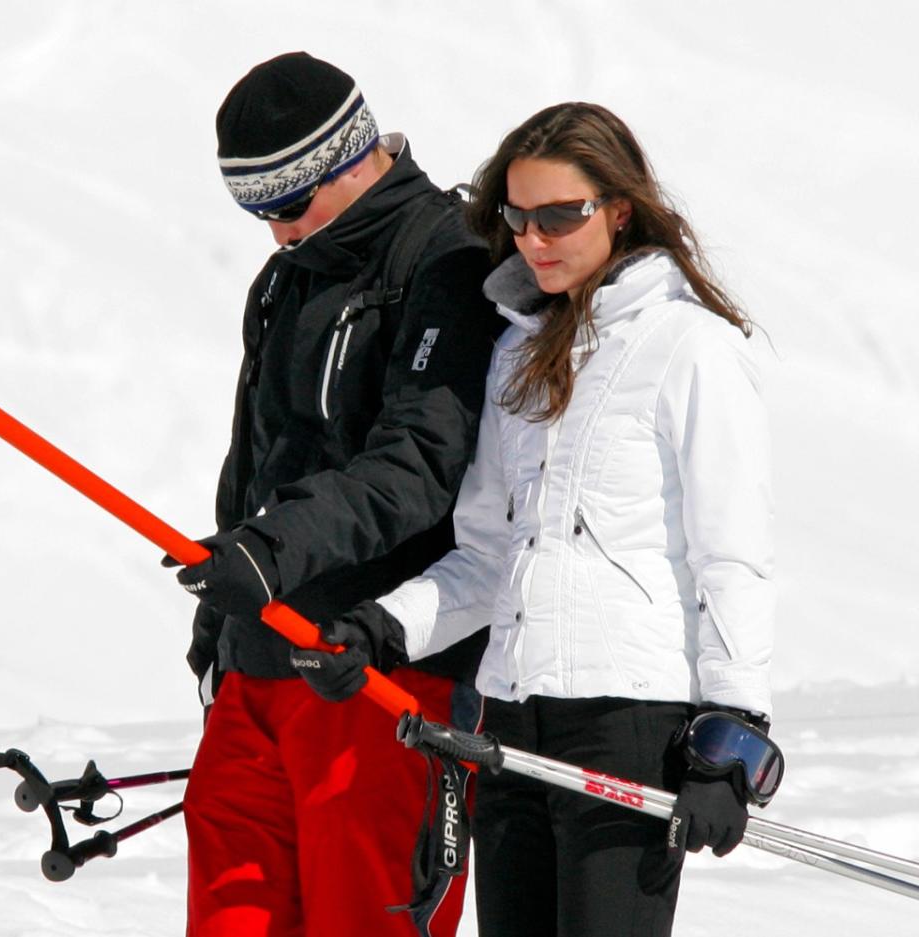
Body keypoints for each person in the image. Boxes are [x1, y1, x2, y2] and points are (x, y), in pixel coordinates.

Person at [292, 102, 778, 937]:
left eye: (561, 215)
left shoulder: (689, 348)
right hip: (510, 718)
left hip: (627, 724)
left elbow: (731, 557)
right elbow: (487, 555)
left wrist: (730, 742)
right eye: (518, 218)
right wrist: (380, 629)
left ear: (619, 208)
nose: (534, 238)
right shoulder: (518, 351)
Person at [167, 52, 502, 937]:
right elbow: (256, 460)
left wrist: (275, 552)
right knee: (231, 914)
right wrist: (221, 623)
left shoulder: (449, 263)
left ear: (349, 159)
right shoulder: (287, 277)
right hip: (260, 662)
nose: (275, 233)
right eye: (255, 213)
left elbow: (420, 462)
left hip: (378, 672)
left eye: (285, 205)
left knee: (365, 917)